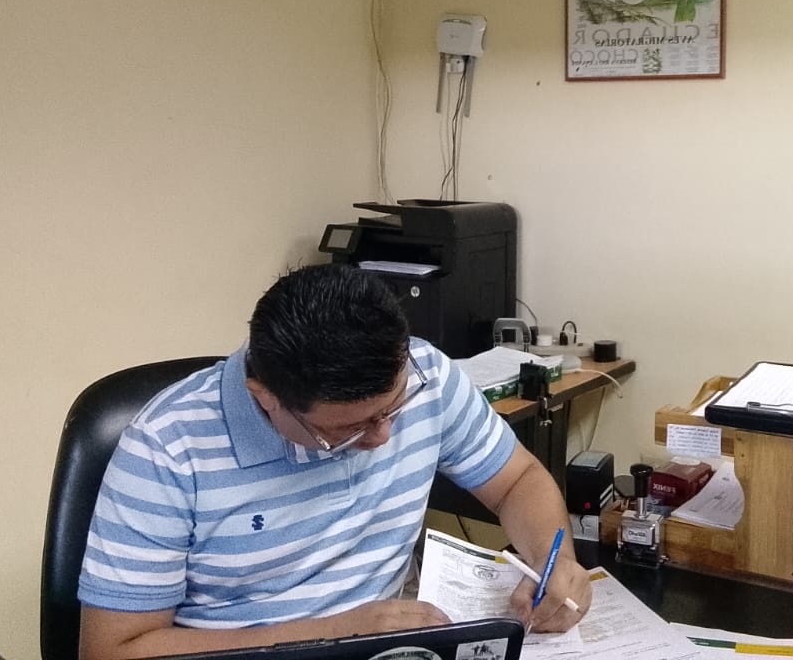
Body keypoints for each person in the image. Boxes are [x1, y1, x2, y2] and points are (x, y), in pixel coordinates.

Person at [77, 264, 591, 659]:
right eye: (349, 429)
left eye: (395, 408)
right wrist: (335, 634)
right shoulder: (166, 447)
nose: (384, 436)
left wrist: (555, 562)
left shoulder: (428, 375)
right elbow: (111, 650)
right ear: (264, 396)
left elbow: (518, 480)